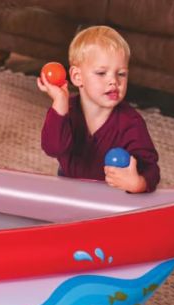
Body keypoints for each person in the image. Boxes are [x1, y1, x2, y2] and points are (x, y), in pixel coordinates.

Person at [37, 26, 160, 193]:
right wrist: (59, 101)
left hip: (111, 196)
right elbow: (53, 148)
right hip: (68, 186)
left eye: (121, 74)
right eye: (102, 73)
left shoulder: (131, 123)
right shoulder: (66, 110)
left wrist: (138, 183)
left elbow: (151, 168)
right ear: (77, 77)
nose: (113, 81)